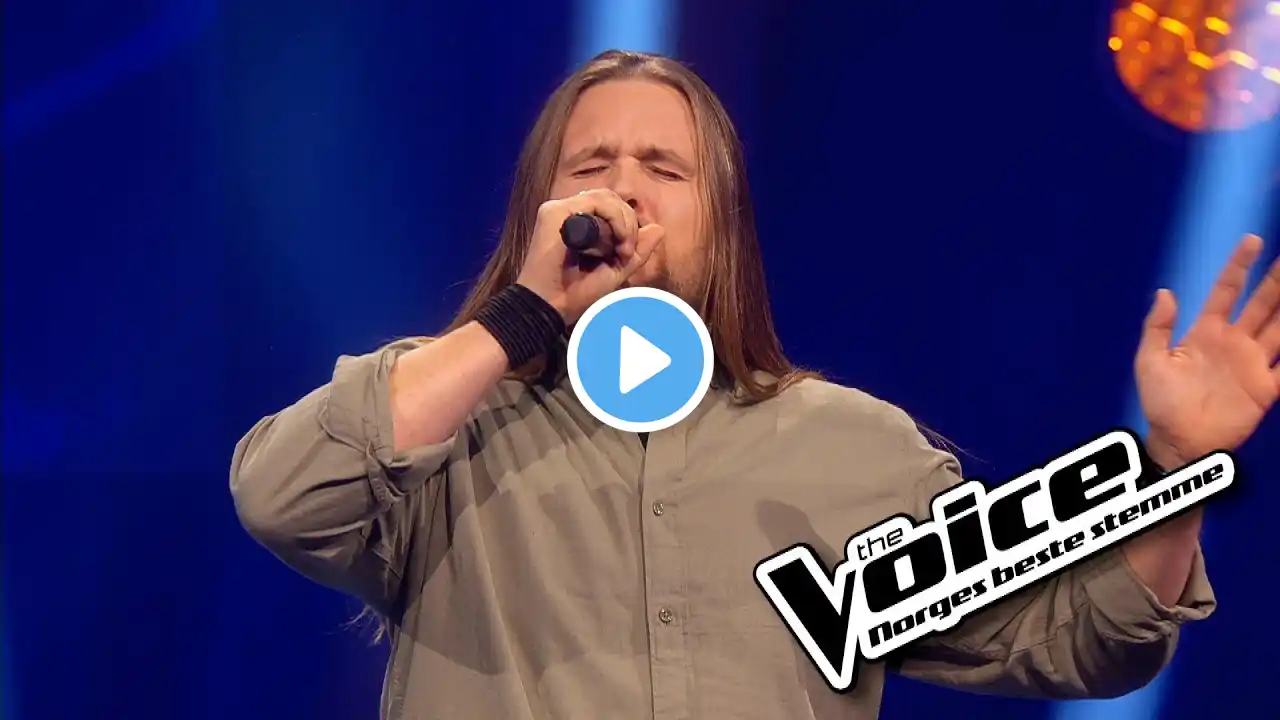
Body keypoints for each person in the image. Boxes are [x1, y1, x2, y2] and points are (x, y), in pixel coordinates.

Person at [230, 49, 1280, 720]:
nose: (624, 191)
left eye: (664, 169)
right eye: (590, 166)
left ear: (722, 221)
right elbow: (284, 497)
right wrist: (518, 316)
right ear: (540, 212)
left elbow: (1079, 642)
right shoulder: (449, 420)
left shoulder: (851, 450)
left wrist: (1177, 467)